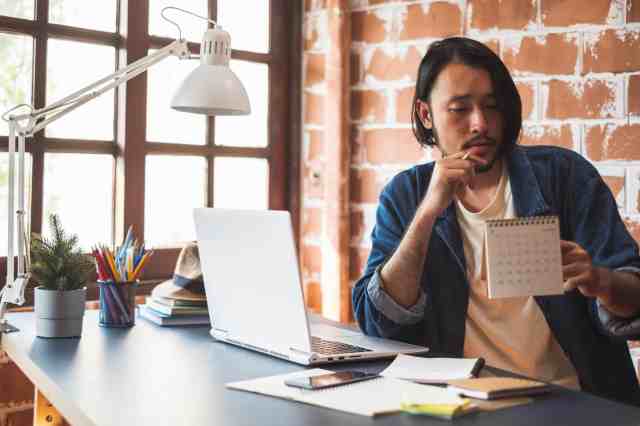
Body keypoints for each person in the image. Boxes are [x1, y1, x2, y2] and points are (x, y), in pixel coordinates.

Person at [352, 37, 640, 406]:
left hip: (573, 401)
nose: (481, 124)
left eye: (492, 107)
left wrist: (601, 281)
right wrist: (427, 212)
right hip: (458, 403)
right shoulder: (406, 194)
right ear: (427, 115)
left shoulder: (565, 177)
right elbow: (380, 323)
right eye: (459, 110)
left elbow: (634, 298)